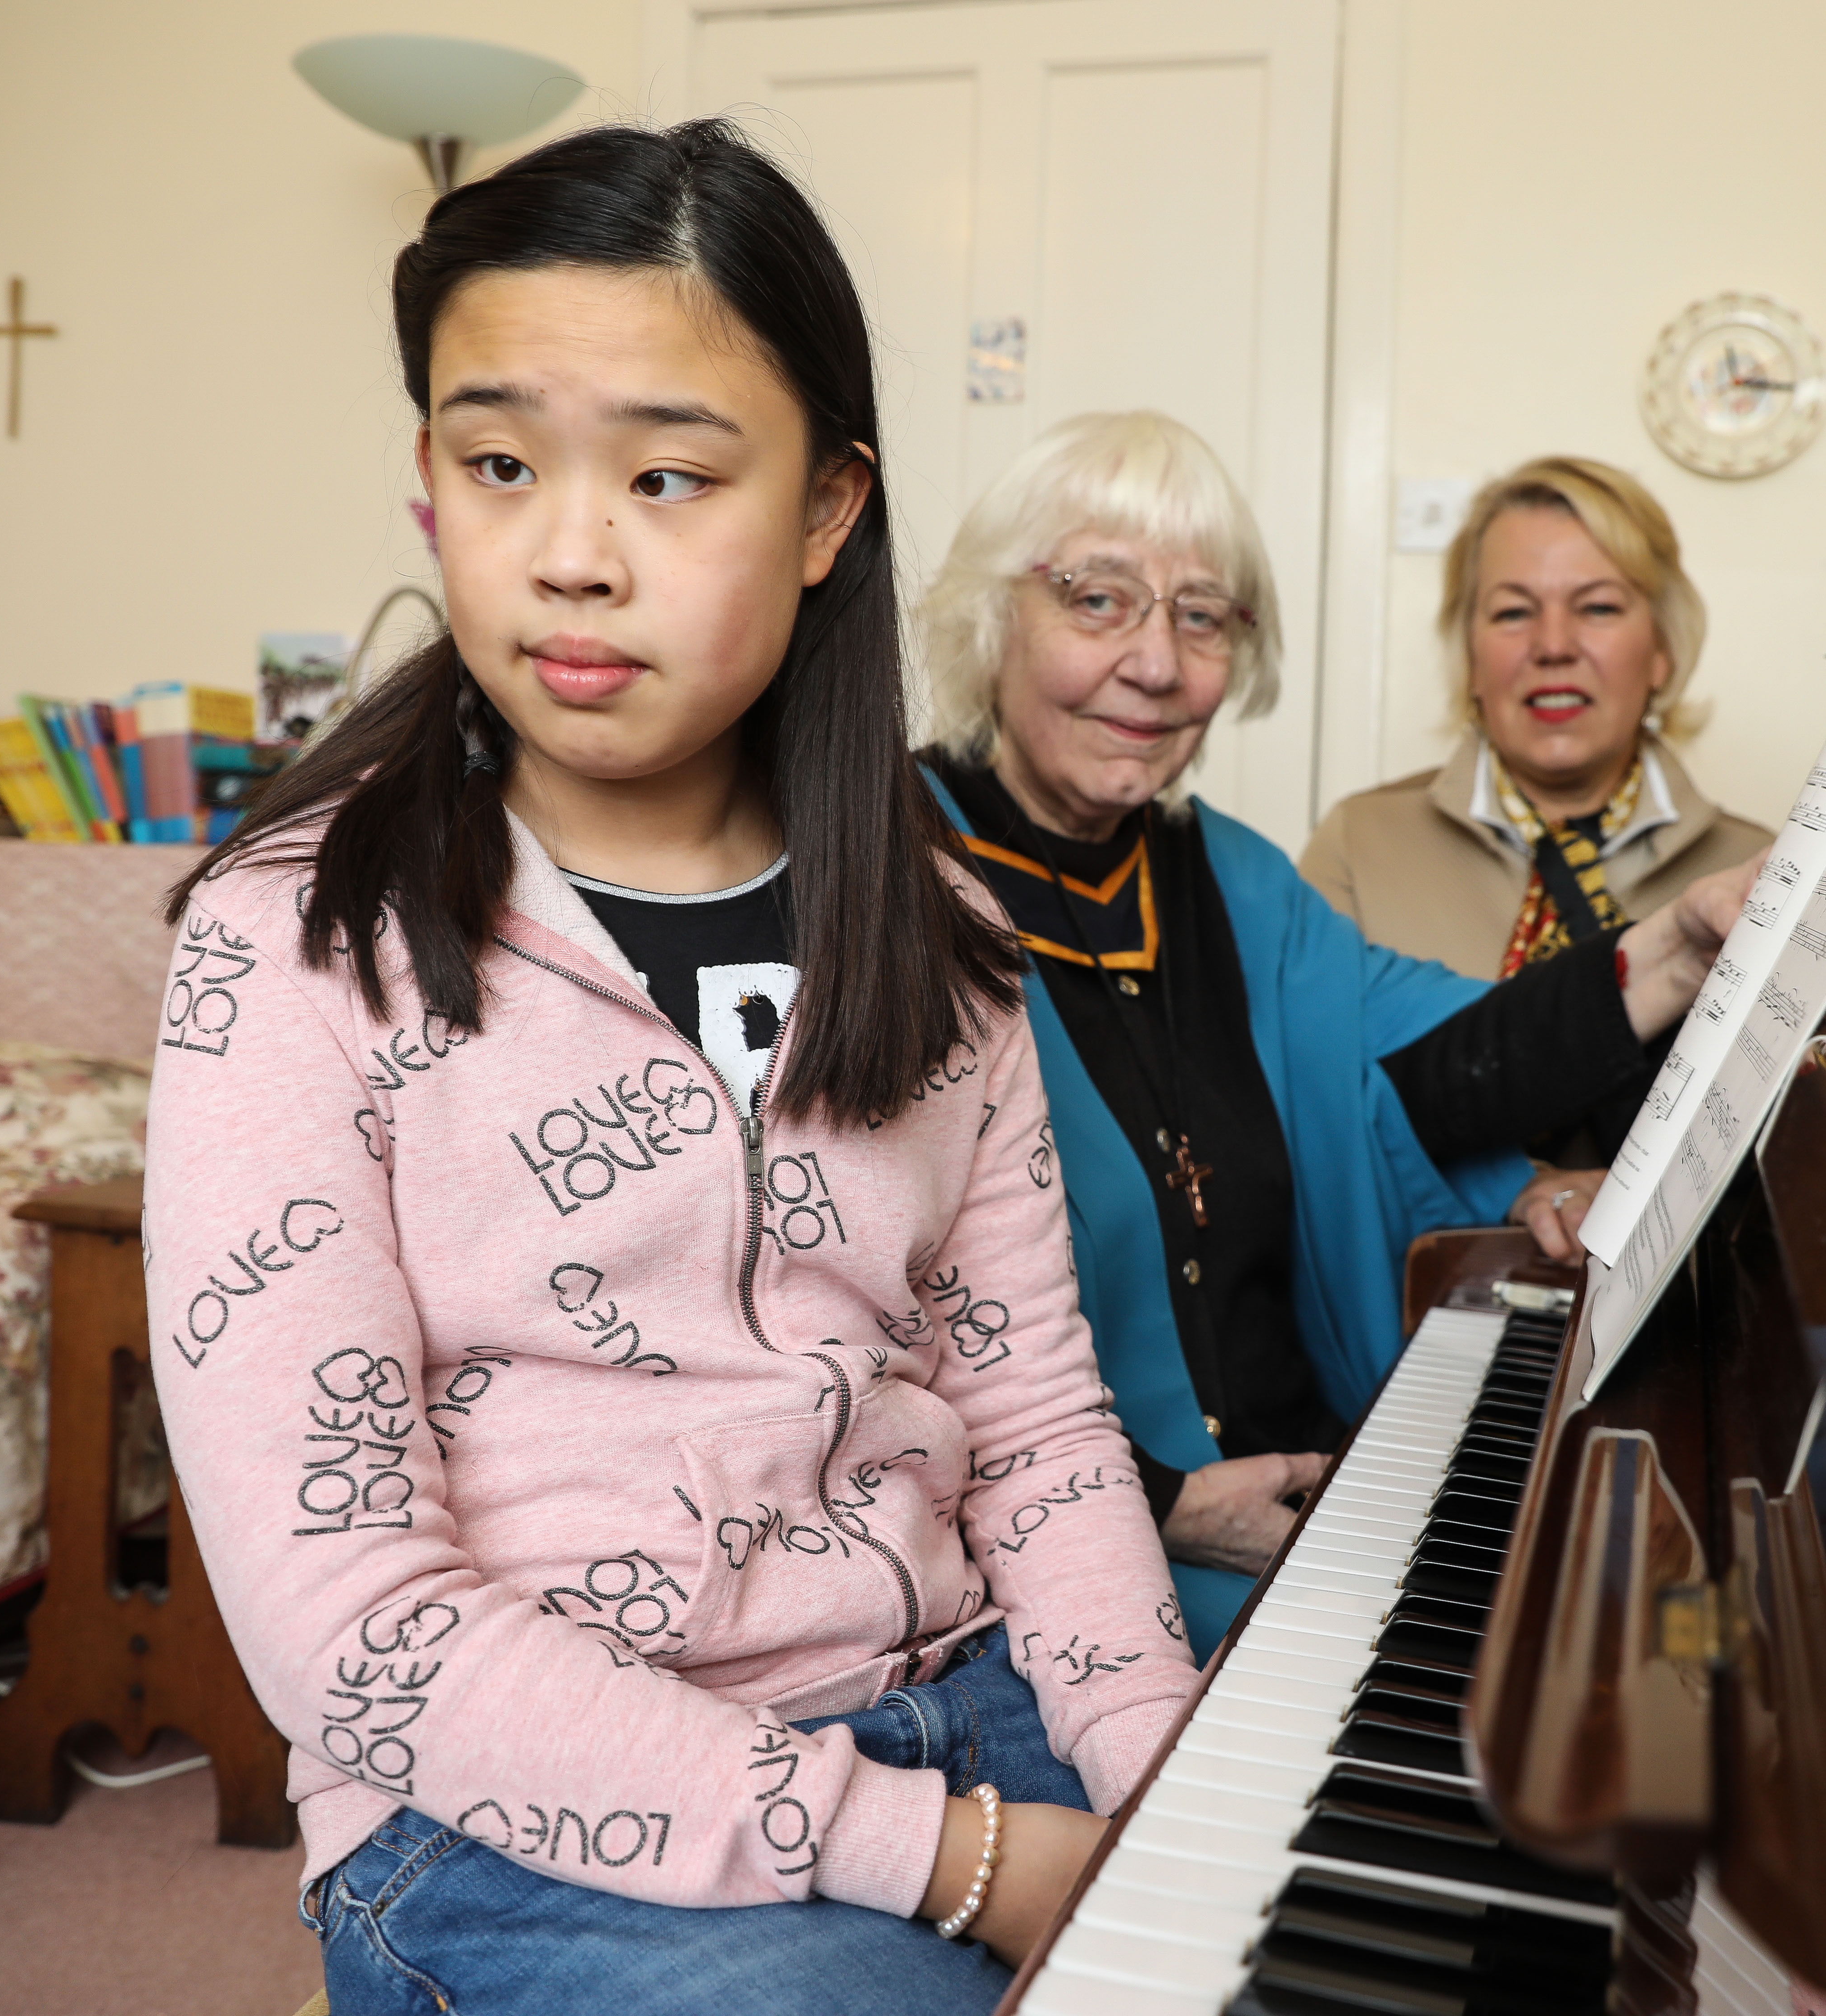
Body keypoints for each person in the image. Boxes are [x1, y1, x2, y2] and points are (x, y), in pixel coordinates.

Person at [144, 124, 1195, 2016]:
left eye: (663, 474)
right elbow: (346, 1613)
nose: (566, 550)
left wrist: (1158, 1786)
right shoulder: (290, 934)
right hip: (499, 1817)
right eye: (497, 463)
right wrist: (955, 1862)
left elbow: (1034, 1422)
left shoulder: (940, 934)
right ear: (428, 489)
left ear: (823, 513)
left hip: (951, 1693)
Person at [914, 414, 1743, 1650]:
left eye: (1203, 616)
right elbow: (824, 1303)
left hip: (1310, 1531)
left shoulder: (1237, 882)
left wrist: (1686, 942)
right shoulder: (882, 873)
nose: (1156, 662)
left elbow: (1450, 1067)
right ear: (994, 618)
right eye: (1099, 601)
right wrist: (1160, 1504)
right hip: (1044, 1578)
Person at [1300, 457, 1769, 1001]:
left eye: (1597, 607)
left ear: (1662, 649)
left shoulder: (1757, 871)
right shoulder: (1360, 845)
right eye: (1513, 613)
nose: (1553, 646)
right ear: (1471, 657)